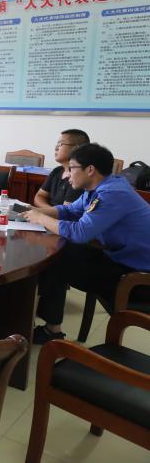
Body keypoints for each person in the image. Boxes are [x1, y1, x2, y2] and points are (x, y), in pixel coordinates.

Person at [23, 143, 150, 344]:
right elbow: (69, 210)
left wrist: (40, 218)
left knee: (57, 257)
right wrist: (30, 211)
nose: (67, 175)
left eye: (71, 168)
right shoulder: (100, 186)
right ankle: (44, 323)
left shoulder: (112, 193)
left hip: (137, 278)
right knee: (56, 252)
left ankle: (47, 327)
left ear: (90, 169)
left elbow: (80, 233)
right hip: (119, 258)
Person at [33, 129, 89, 208]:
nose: (56, 148)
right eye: (57, 144)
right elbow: (39, 196)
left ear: (76, 149)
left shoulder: (79, 176)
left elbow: (67, 211)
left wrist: (46, 211)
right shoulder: (57, 170)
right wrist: (48, 210)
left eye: (61, 144)